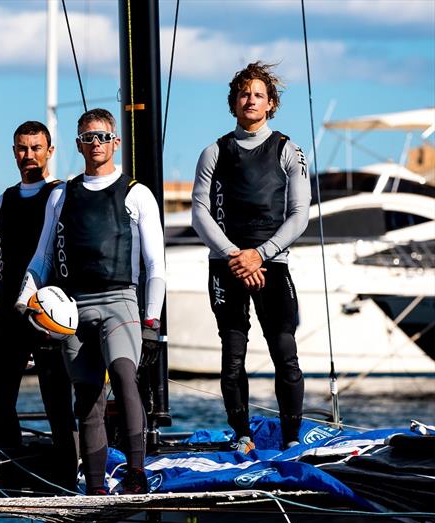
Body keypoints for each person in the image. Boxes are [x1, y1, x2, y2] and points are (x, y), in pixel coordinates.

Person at [16, 109, 166, 495]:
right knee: (87, 396)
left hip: (120, 303)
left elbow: (155, 264)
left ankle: (136, 473)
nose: (95, 144)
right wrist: (25, 300)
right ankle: (95, 486)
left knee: (122, 377)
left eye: (102, 137)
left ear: (115, 142)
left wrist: (151, 322)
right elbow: (42, 257)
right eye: (88, 137)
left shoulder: (136, 193)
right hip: (73, 307)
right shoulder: (61, 195)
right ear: (79, 144)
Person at [191, 62, 310, 452]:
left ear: (271, 103)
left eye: (258, 94)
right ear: (234, 103)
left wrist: (260, 254)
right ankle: (242, 435)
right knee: (232, 357)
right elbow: (199, 212)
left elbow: (300, 214)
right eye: (244, 94)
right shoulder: (213, 151)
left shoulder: (288, 150)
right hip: (226, 266)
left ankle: (292, 437)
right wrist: (233, 256)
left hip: (271, 263)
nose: (251, 100)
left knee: (285, 354)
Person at [0, 121, 78, 489]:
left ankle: (68, 472)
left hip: (47, 311)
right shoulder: (5, 199)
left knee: (55, 397)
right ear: (14, 152)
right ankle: (11, 469)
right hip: (9, 308)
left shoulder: (60, 193)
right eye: (22, 148)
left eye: (36, 148)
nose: (29, 155)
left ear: (49, 151)